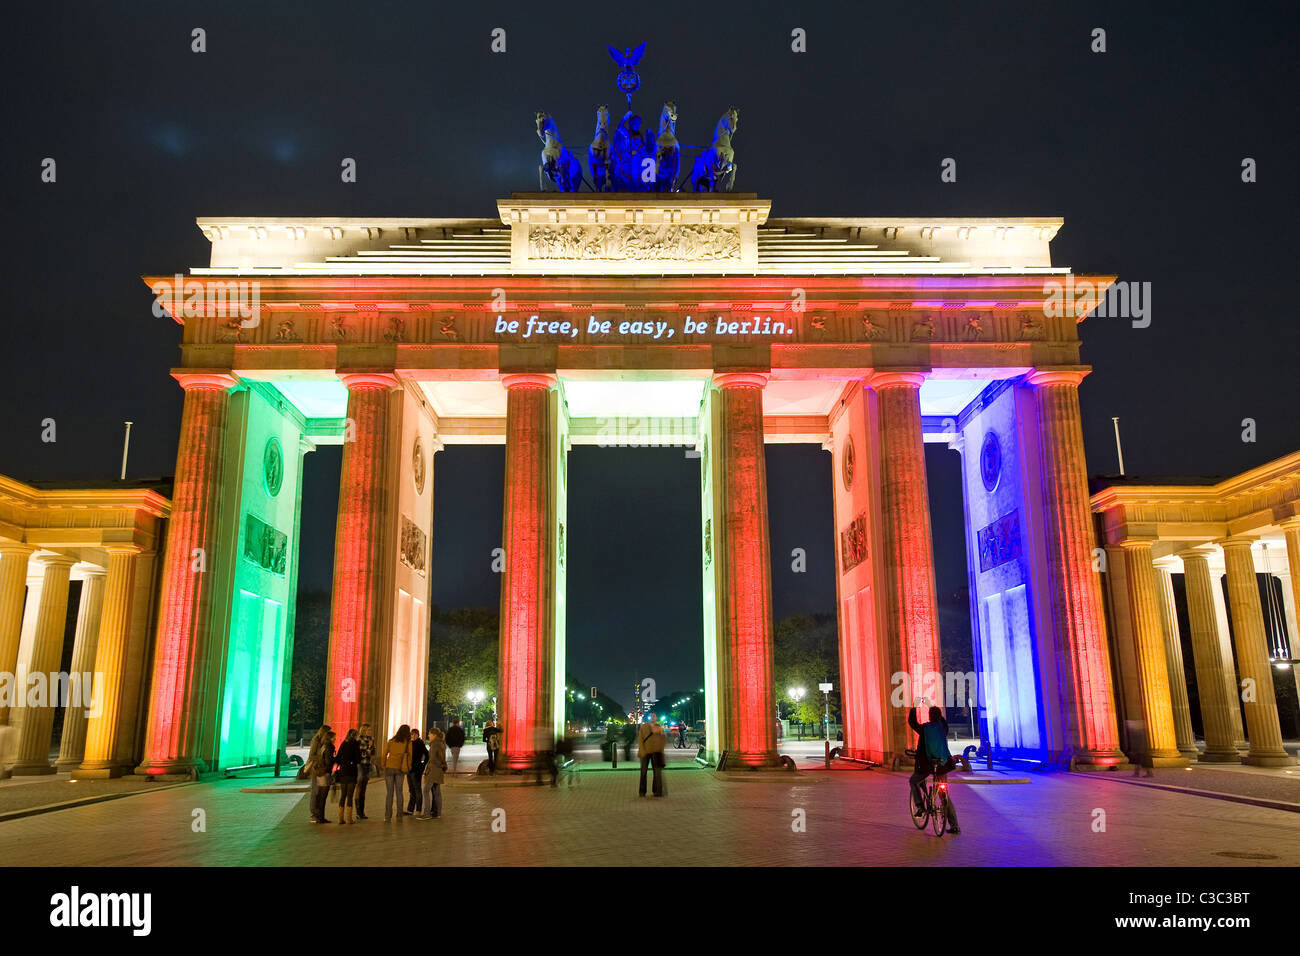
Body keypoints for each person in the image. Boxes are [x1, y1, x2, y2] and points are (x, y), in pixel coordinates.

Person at [908, 703, 960, 835]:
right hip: (943, 765)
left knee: (914, 781)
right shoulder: (943, 727)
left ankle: (920, 807)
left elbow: (912, 722)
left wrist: (913, 707)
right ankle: (954, 826)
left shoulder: (925, 728)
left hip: (927, 765)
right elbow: (943, 721)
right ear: (940, 716)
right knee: (944, 795)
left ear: (929, 717)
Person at [381, 725, 413, 821]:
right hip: (400, 769)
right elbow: (410, 756)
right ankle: (399, 816)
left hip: (389, 767)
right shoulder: (408, 743)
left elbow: (384, 754)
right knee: (399, 792)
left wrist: (383, 765)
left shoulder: (391, 741)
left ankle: (387, 816)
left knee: (389, 793)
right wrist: (409, 766)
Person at [304, 724, 332, 824]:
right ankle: (314, 815)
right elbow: (312, 755)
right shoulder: (316, 740)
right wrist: (322, 757)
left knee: (319, 792)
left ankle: (318, 814)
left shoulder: (322, 741)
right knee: (315, 792)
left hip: (320, 768)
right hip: (316, 769)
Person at [333, 728, 362, 824]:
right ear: (355, 735)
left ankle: (340, 818)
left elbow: (337, 758)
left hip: (343, 771)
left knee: (343, 795)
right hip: (352, 771)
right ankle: (349, 819)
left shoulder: (343, 744)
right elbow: (358, 759)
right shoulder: (355, 744)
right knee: (350, 796)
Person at [418, 727, 448, 819]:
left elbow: (433, 758)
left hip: (434, 769)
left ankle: (427, 813)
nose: (428, 735)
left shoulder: (435, 744)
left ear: (434, 735)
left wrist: (429, 768)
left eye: (430, 734)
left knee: (426, 790)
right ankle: (438, 813)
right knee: (437, 791)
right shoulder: (441, 743)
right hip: (439, 769)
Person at [637, 717, 667, 797]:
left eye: (655, 716)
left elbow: (663, 739)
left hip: (656, 752)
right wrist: (643, 751)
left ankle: (657, 791)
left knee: (657, 773)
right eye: (652, 716)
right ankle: (642, 792)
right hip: (645, 752)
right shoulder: (644, 727)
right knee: (643, 772)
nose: (653, 718)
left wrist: (660, 750)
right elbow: (640, 740)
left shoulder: (659, 727)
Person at [355, 722, 376, 820]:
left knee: (364, 788)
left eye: (371, 730)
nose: (370, 732)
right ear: (363, 730)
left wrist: (369, 749)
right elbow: (360, 753)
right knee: (359, 787)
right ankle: (358, 811)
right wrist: (368, 749)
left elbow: (373, 752)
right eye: (368, 730)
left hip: (367, 765)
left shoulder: (371, 739)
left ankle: (362, 812)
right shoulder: (359, 739)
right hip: (360, 765)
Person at [407, 727, 428, 815]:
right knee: (411, 789)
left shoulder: (420, 743)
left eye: (413, 734)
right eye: (411, 734)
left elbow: (427, 755)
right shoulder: (410, 743)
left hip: (416, 770)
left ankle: (418, 809)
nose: (412, 736)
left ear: (417, 735)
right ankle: (410, 809)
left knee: (417, 789)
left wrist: (422, 765)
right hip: (409, 769)